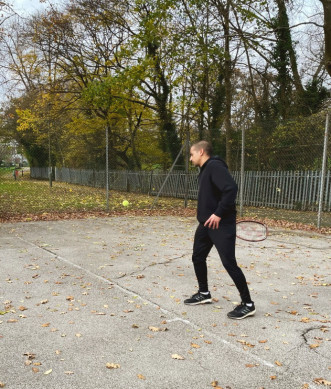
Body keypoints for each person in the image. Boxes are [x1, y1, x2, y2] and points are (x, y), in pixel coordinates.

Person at [184, 140, 255, 320]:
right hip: (206, 224)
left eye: (191, 155)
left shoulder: (214, 166)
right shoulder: (205, 169)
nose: (190, 159)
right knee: (197, 257)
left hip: (220, 224)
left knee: (229, 263)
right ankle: (204, 293)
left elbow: (231, 189)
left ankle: (248, 304)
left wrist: (218, 213)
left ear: (201, 152)